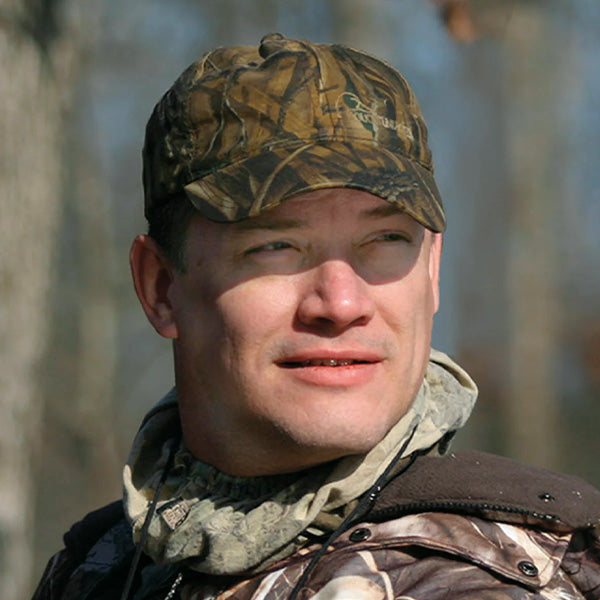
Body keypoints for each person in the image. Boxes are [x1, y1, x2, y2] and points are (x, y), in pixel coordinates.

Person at [34, 33, 600, 600]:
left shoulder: (478, 582)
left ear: (431, 272)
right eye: (275, 246)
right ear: (161, 287)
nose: (341, 304)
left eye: (384, 240)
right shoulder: (98, 570)